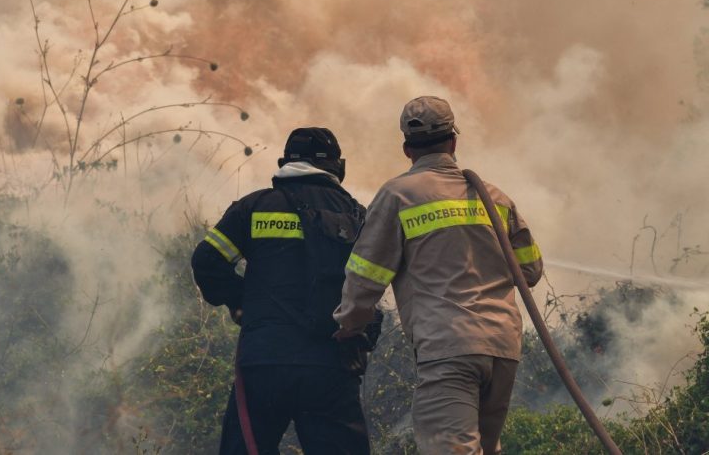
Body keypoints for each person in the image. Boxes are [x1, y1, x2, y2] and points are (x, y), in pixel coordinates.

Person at [333, 96, 543, 454]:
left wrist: (349, 324)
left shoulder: (399, 195)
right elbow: (531, 270)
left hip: (448, 349)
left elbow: (366, 274)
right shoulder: (495, 198)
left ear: (406, 149)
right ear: (454, 141)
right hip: (502, 350)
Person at [192, 127, 378, 455]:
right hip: (330, 366)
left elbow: (207, 261)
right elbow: (372, 288)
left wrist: (240, 302)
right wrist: (362, 335)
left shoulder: (253, 207)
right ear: (339, 167)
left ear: (283, 163)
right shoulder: (356, 216)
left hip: (264, 363)